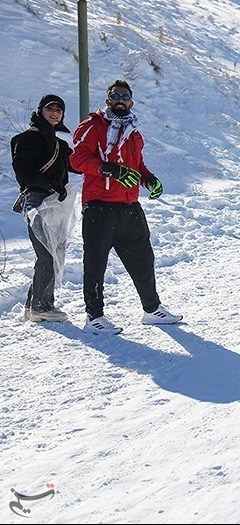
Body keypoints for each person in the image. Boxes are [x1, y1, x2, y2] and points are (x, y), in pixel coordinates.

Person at [70, 79, 182, 334]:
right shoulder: (93, 126)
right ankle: (94, 317)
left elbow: (137, 165)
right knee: (96, 262)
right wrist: (110, 169)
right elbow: (77, 159)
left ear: (131, 102)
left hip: (130, 206)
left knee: (143, 259)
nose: (120, 100)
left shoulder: (134, 132)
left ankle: (152, 309)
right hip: (99, 206)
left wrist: (149, 179)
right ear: (108, 99)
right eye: (115, 95)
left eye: (125, 96)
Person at [11, 94, 78, 322]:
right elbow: (23, 171)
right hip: (37, 202)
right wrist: (49, 185)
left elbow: (78, 165)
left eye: (59, 110)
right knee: (47, 253)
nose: (55, 113)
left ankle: (33, 305)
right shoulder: (28, 138)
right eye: (50, 108)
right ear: (40, 111)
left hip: (56, 204)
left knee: (53, 252)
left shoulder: (59, 144)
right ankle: (42, 306)